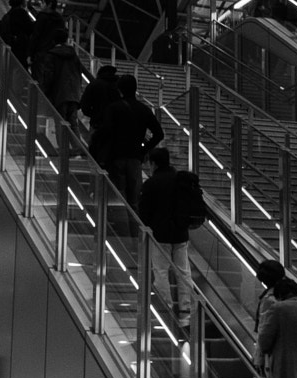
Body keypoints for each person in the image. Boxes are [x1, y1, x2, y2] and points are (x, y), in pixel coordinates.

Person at [138, 148, 208, 320]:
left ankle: (166, 306)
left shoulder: (151, 184)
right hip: (180, 233)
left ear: (153, 163)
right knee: (183, 272)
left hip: (159, 234)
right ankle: (185, 307)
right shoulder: (181, 180)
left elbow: (144, 212)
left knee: (161, 271)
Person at [95, 72, 165, 223]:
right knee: (134, 200)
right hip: (135, 159)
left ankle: (116, 229)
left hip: (115, 158)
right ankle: (135, 233)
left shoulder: (113, 108)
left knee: (115, 196)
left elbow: (105, 131)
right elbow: (159, 133)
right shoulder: (144, 109)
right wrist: (144, 149)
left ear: (120, 90)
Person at [78, 64, 119, 138]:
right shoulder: (118, 86)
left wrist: (94, 114)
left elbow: (84, 105)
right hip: (115, 126)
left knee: (94, 146)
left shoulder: (94, 85)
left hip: (97, 123)